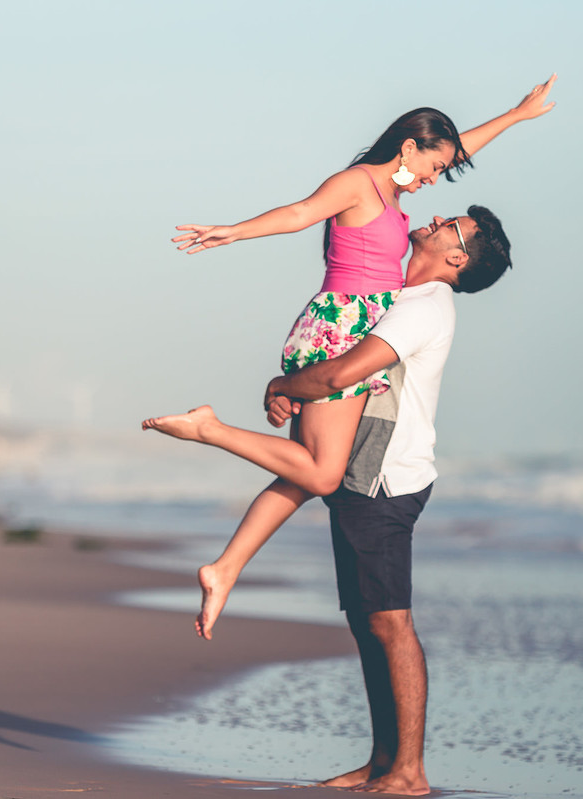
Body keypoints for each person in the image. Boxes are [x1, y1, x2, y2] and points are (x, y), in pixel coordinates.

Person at [156, 76, 555, 641]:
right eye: (432, 168)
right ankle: (208, 429)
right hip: (338, 332)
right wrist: (233, 232)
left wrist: (515, 116)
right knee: (321, 473)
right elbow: (300, 212)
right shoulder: (359, 184)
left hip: (350, 330)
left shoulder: (391, 195)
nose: (434, 181)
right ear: (409, 148)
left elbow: (457, 146)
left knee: (305, 469)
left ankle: (224, 569)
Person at [145, 206, 514, 795]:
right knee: (369, 624)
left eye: (456, 225)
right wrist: (294, 398)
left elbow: (340, 375)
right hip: (358, 475)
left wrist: (282, 386)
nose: (440, 216)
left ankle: (410, 772)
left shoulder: (423, 307)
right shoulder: (396, 293)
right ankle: (382, 762)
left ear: (457, 259)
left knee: (391, 624)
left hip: (384, 481)